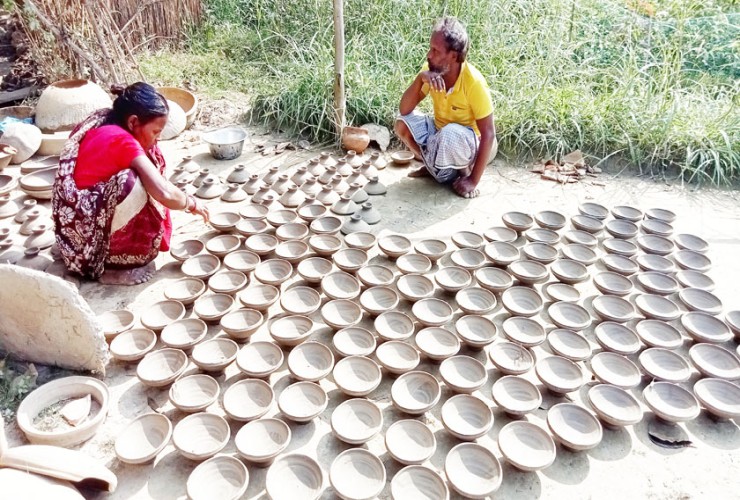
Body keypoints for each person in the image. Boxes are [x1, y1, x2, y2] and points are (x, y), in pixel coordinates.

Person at [52, 82, 209, 285]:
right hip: (85, 235)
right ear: (133, 122)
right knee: (134, 184)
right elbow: (164, 193)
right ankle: (112, 268)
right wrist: (191, 203)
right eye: (155, 132)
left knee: (147, 164)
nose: (158, 138)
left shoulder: (105, 119)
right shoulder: (122, 141)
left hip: (74, 223)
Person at [395, 17, 497, 198]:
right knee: (402, 123)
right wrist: (420, 79)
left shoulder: (473, 82)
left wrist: (473, 180)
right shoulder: (432, 70)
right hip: (441, 136)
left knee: (449, 134)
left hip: (467, 144)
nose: (428, 54)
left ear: (454, 55)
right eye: (430, 48)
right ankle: (434, 166)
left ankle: (461, 172)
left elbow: (488, 133)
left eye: (435, 50)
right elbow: (405, 109)